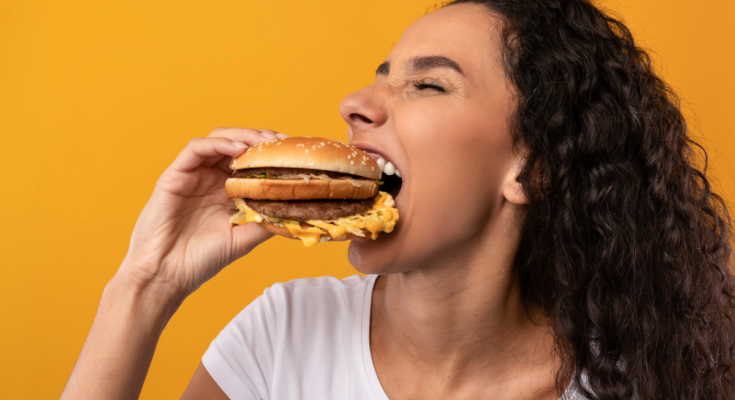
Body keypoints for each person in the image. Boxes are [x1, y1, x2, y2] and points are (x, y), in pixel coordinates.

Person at [61, 1, 735, 399]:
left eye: (427, 86)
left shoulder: (632, 383)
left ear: (531, 170)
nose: (354, 105)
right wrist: (145, 285)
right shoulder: (284, 335)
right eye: (380, 78)